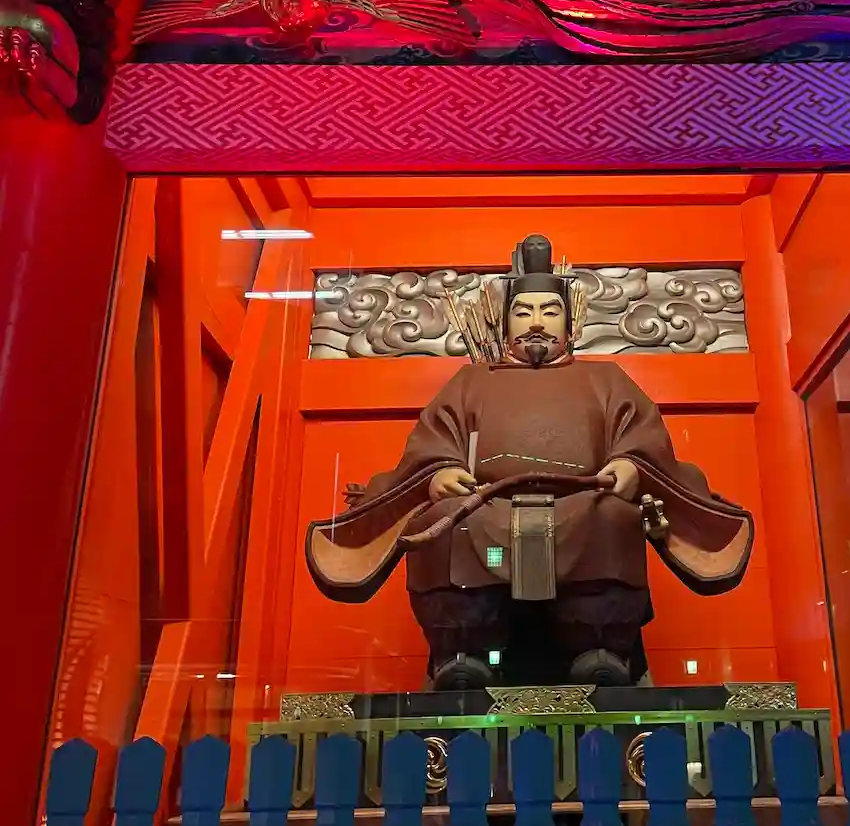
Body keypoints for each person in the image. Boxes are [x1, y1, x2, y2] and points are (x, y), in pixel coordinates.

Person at [306, 235, 753, 690]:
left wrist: (630, 465)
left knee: (613, 518)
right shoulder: (471, 381)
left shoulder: (605, 378)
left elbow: (640, 436)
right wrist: (441, 471)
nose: (536, 322)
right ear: (505, 325)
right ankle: (463, 649)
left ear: (570, 323)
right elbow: (435, 440)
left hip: (585, 502)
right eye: (522, 313)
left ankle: (599, 647)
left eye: (549, 311)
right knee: (448, 523)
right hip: (484, 506)